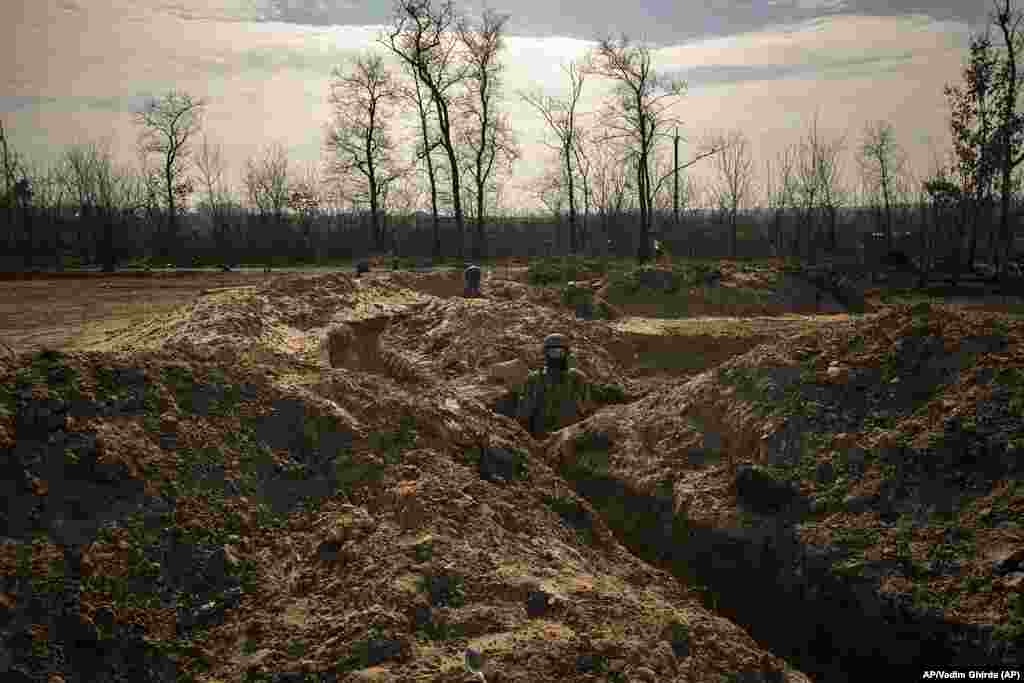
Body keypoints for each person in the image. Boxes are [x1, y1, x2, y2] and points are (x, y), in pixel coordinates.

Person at [516, 333, 595, 436]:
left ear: (566, 353)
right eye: (552, 352)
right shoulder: (534, 379)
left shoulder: (577, 378)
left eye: (559, 352)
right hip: (540, 436)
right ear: (545, 353)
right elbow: (523, 414)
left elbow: (587, 411)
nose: (556, 356)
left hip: (569, 436)